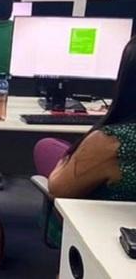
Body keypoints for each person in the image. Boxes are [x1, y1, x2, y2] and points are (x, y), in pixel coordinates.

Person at [48, 37, 136, 201]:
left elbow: (58, 189)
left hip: (101, 224)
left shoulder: (112, 142)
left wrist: (68, 158)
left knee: (46, 148)